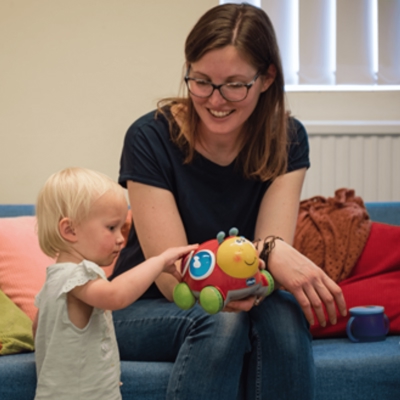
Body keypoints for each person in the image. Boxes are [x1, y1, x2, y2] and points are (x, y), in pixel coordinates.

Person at [111, 3, 347, 399]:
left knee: (284, 316)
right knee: (219, 319)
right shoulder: (148, 138)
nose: (215, 99)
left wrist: (272, 255)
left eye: (235, 84)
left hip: (240, 294)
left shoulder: (288, 138)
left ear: (267, 77)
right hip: (146, 304)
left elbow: (271, 257)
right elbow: (173, 275)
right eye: (201, 81)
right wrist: (269, 253)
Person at [33, 167, 197, 400]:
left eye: (122, 228)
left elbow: (38, 330)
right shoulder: (79, 275)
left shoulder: (53, 280)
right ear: (69, 230)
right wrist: (157, 262)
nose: (121, 238)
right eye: (111, 228)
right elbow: (116, 296)